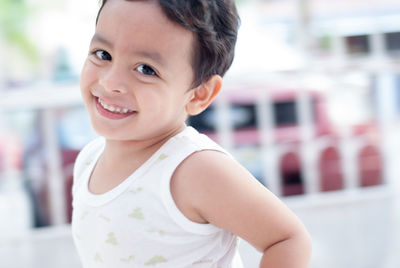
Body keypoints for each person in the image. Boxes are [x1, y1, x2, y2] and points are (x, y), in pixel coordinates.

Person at [71, 0, 312, 267]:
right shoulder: (89, 160)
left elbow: (287, 238)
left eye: (145, 69)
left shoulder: (193, 169)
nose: (110, 82)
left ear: (200, 94)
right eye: (103, 54)